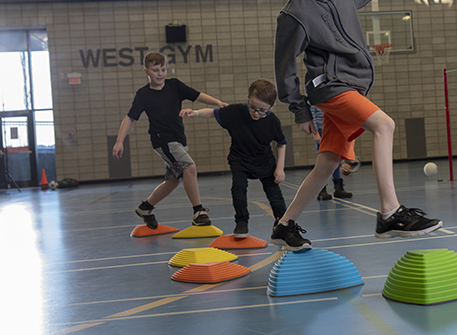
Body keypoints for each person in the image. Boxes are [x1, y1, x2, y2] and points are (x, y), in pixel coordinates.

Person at [272, 0, 443, 250]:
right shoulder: (294, 14)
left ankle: (284, 225)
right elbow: (284, 67)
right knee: (384, 125)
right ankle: (390, 212)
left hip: (353, 85)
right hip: (330, 86)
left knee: (329, 162)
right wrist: (299, 109)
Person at [113, 52, 227, 229]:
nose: (160, 73)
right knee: (189, 168)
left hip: (179, 139)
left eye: (163, 69)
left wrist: (218, 102)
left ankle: (146, 208)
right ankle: (198, 212)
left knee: (173, 181)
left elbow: (197, 95)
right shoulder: (143, 94)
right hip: (163, 141)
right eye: (155, 70)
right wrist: (119, 141)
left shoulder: (175, 86)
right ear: (146, 72)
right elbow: (130, 118)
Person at [180, 79, 288, 238]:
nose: (255, 113)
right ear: (248, 98)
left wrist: (280, 168)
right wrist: (195, 113)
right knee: (238, 188)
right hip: (240, 159)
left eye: (262, 110)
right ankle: (241, 221)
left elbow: (281, 143)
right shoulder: (236, 112)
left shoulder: (273, 121)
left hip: (264, 161)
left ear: (272, 107)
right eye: (252, 107)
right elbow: (212, 112)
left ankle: (282, 222)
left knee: (274, 193)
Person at [311, 105, 352, 200]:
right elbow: (311, 114)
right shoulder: (313, 94)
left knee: (336, 156)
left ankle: (338, 187)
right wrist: (315, 132)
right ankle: (322, 189)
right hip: (321, 129)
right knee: (322, 157)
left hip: (332, 127)